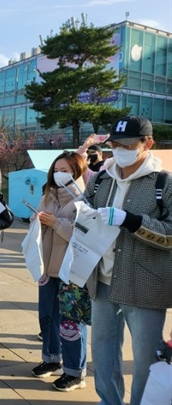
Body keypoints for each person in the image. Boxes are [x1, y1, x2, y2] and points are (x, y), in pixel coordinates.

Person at [85, 116, 172, 405]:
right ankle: (109, 400)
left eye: (127, 145)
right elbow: (85, 211)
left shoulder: (164, 183)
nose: (119, 151)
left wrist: (133, 221)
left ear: (147, 144)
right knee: (103, 348)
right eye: (114, 145)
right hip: (103, 277)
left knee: (146, 355)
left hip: (145, 282)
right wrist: (79, 215)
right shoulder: (101, 179)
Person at [32, 152, 91, 392]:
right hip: (47, 266)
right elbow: (35, 223)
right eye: (57, 169)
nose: (60, 174)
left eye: (65, 170)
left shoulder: (85, 199)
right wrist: (36, 219)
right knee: (47, 316)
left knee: (71, 321)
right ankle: (51, 358)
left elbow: (85, 234)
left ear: (77, 172)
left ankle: (75, 371)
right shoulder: (49, 194)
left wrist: (55, 222)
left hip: (71, 270)